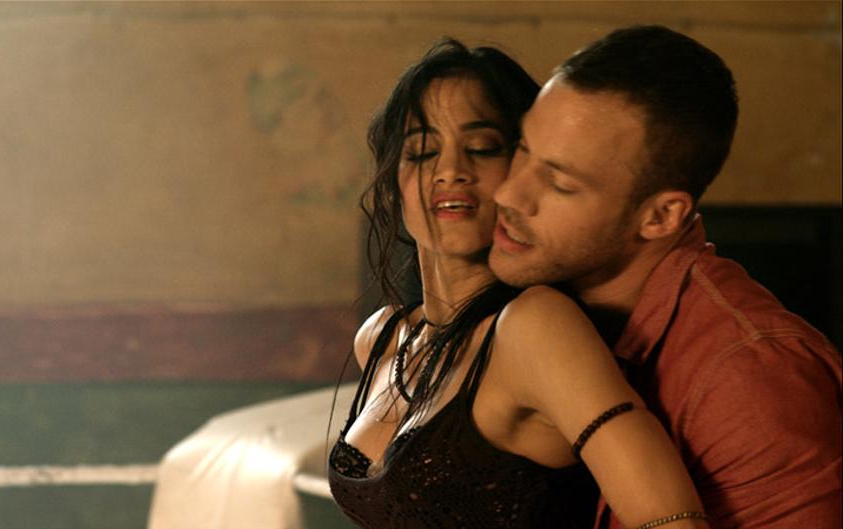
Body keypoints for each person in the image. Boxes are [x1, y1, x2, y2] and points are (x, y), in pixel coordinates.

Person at [328, 38, 711, 529]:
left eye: (482, 148)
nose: (451, 171)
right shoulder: (381, 338)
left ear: (522, 170)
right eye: (422, 151)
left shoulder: (534, 327)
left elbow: (673, 520)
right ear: (393, 180)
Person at [489, 25, 842, 528]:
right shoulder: (531, 297)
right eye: (523, 148)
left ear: (660, 216)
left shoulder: (750, 381)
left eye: (560, 182)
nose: (508, 194)